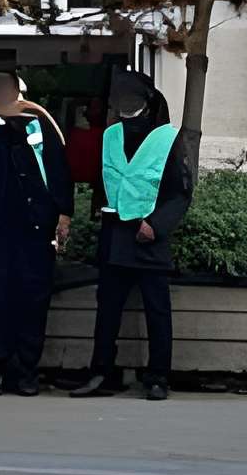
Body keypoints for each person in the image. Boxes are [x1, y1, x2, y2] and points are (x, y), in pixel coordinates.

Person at [76, 70, 192, 401]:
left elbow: (181, 192)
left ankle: (158, 377)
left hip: (148, 235)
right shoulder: (111, 135)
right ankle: (101, 372)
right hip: (115, 233)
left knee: (157, 310)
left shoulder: (168, 138)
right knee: (107, 309)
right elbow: (104, 181)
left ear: (145, 101)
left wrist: (156, 224)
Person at [0, 68, 69, 395]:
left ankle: (27, 370)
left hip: (34, 229)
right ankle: (1, 368)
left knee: (33, 299)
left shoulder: (39, 122)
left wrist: (64, 214)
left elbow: (59, 169)